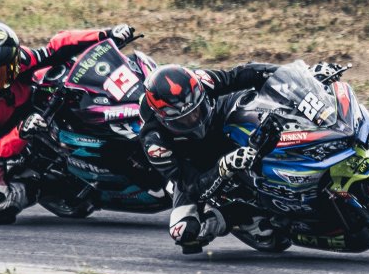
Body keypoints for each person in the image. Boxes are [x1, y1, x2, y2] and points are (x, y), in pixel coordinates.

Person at [139, 60, 343, 253]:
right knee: (184, 231)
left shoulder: (202, 82)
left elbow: (247, 74)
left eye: (197, 110)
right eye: (184, 119)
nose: (195, 119)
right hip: (195, 167)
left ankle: (300, 151)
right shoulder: (155, 143)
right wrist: (222, 168)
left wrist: (304, 78)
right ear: (164, 119)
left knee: (258, 104)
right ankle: (231, 216)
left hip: (219, 122)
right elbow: (191, 186)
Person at [0, 21, 135, 224]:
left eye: (1, 74)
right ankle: (41, 185)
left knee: (60, 73)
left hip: (20, 105)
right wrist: (21, 131)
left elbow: (57, 47)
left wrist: (106, 35)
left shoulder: (23, 59)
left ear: (15, 64)